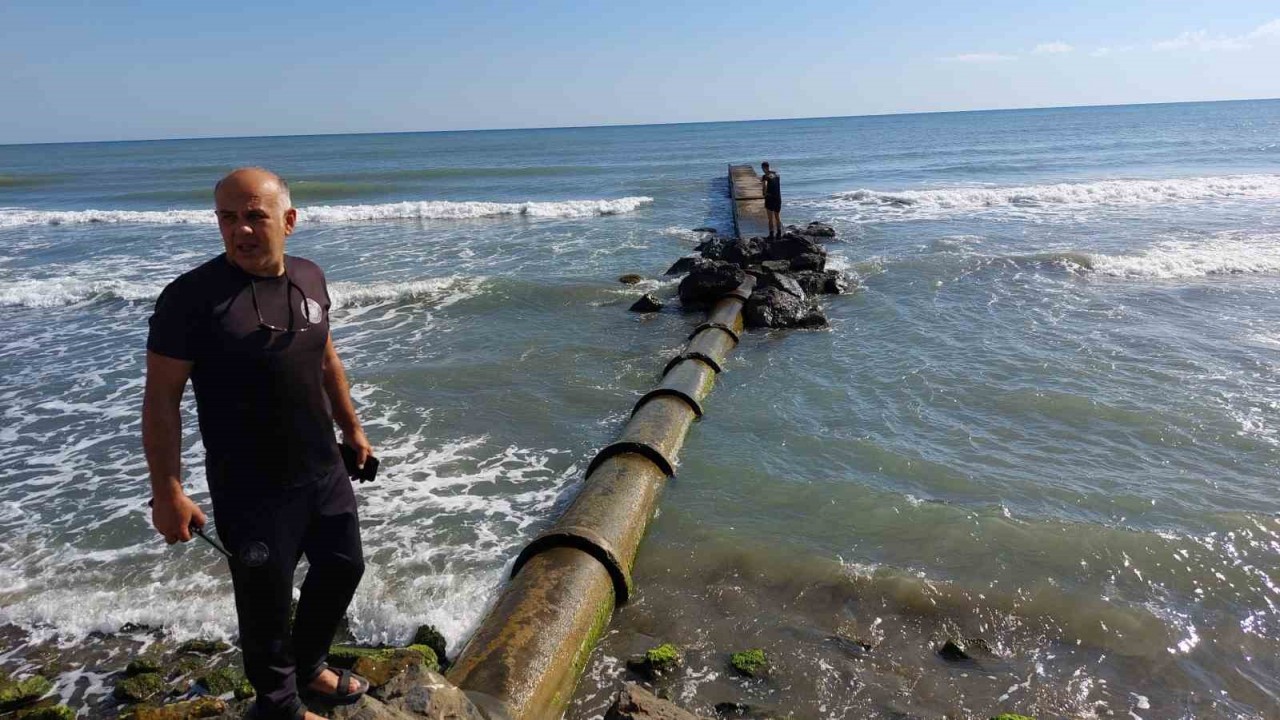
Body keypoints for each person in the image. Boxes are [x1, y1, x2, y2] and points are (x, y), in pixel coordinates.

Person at [142, 168, 375, 720]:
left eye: (254, 216)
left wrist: (352, 427)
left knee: (343, 567)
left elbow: (324, 356)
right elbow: (160, 402)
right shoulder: (189, 300)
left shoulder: (310, 277)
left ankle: (309, 663)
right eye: (227, 218)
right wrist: (167, 492)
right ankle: (278, 706)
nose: (240, 230)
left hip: (322, 469)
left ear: (288, 221)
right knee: (264, 601)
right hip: (251, 485)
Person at [760, 161, 782, 239]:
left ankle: (771, 234)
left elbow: (765, 184)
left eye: (762, 168)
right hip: (778, 198)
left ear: (764, 168)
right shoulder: (777, 175)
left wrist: (764, 193)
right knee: (777, 217)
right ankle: (779, 233)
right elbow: (774, 172)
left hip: (770, 199)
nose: (762, 170)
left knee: (770, 218)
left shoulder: (765, 177)